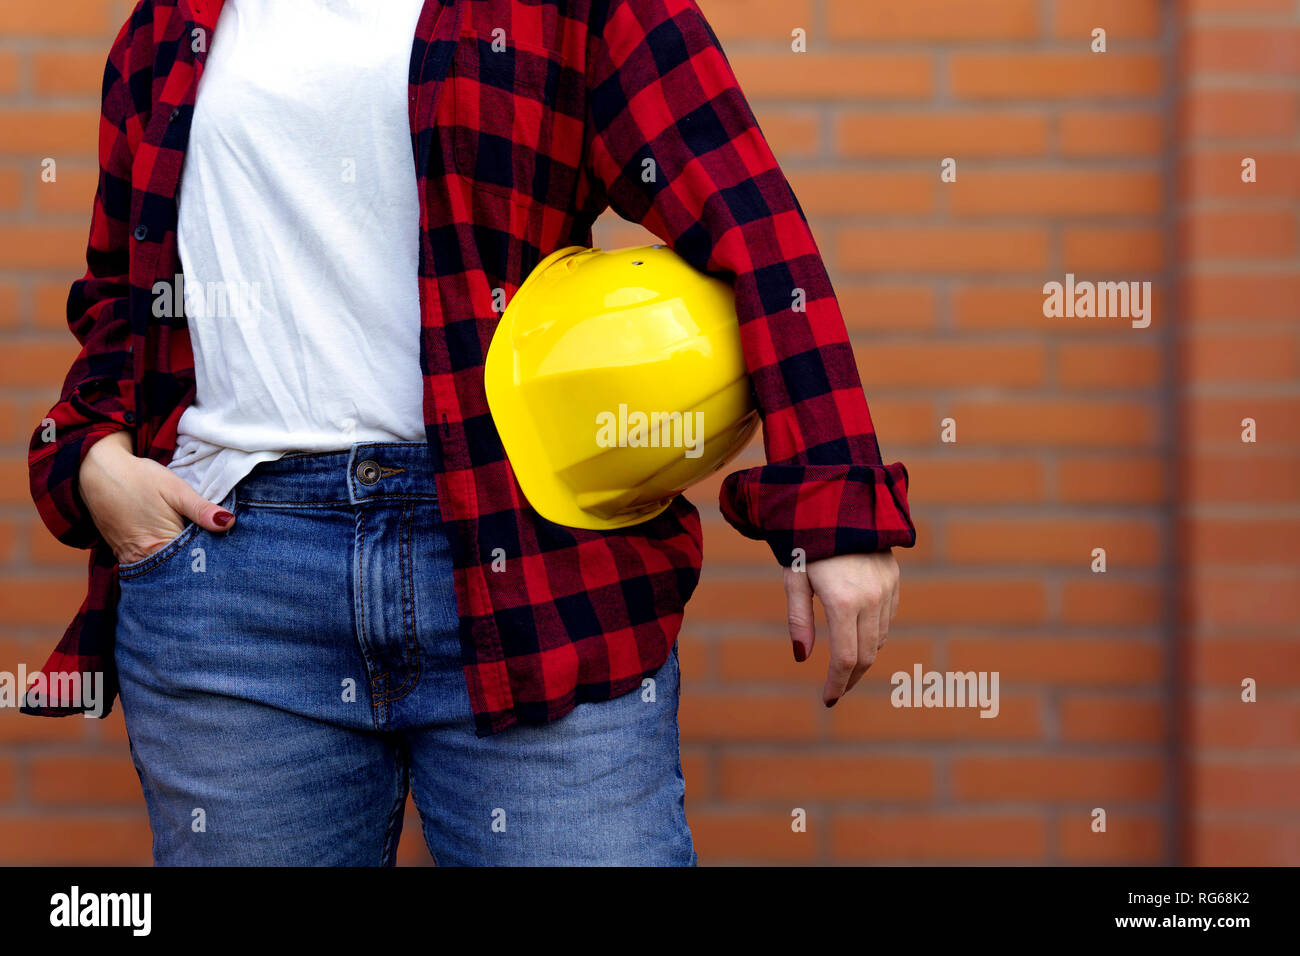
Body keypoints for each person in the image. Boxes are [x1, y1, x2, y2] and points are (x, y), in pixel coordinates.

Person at [26, 0, 916, 866]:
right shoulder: (164, 27)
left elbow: (751, 224)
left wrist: (833, 502)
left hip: (525, 564)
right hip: (236, 577)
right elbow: (121, 293)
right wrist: (94, 459)